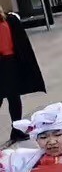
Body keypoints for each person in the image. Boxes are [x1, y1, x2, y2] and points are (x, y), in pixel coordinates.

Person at [0, 12, 44, 143]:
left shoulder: (10, 19)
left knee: (14, 97)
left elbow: (20, 41)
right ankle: (16, 131)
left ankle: (16, 130)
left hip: (11, 62)